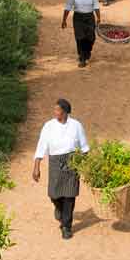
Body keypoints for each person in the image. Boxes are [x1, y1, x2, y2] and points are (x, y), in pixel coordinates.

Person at [33, 98, 90, 239]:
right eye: (55, 109)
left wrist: (86, 165)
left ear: (65, 112)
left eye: (57, 110)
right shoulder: (48, 126)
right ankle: (59, 209)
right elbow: (41, 146)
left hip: (72, 162)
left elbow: (84, 147)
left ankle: (66, 226)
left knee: (70, 195)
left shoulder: (76, 126)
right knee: (54, 194)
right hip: (55, 161)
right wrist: (36, 166)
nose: (55, 112)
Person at [64, 0, 102, 67]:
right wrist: (64, 20)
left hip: (90, 17)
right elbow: (68, 7)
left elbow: (96, 5)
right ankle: (82, 58)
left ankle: (87, 52)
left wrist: (98, 18)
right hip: (78, 18)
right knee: (80, 38)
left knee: (91, 38)